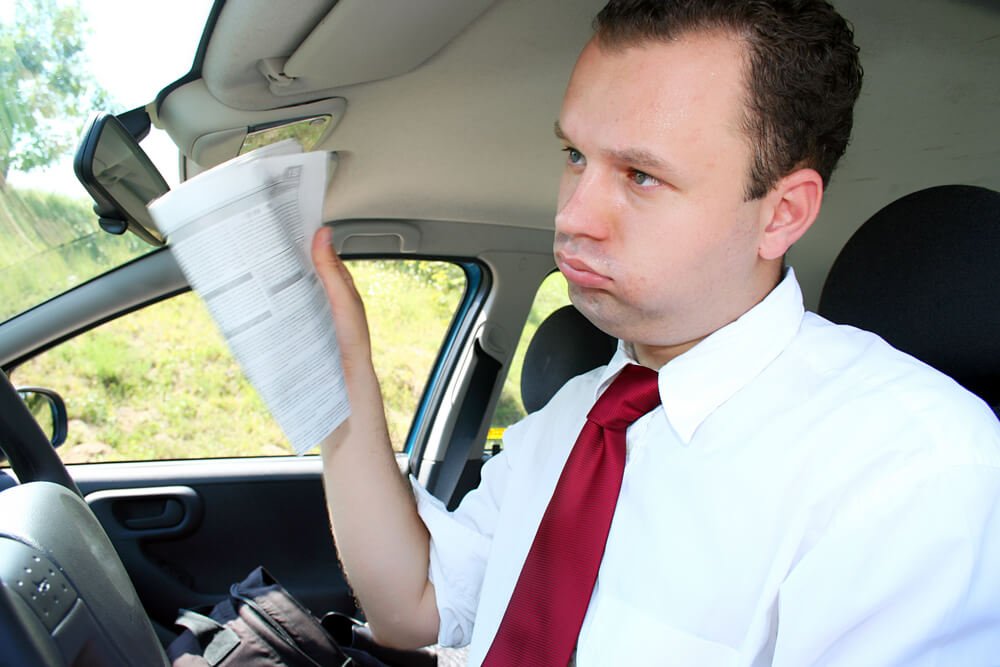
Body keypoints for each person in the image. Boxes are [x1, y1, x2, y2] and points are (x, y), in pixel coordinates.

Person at [311, 0, 1000, 664]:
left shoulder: (914, 475)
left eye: (641, 176)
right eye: (576, 155)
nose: (574, 215)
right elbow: (415, 606)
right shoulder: (573, 417)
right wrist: (343, 380)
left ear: (782, 213)